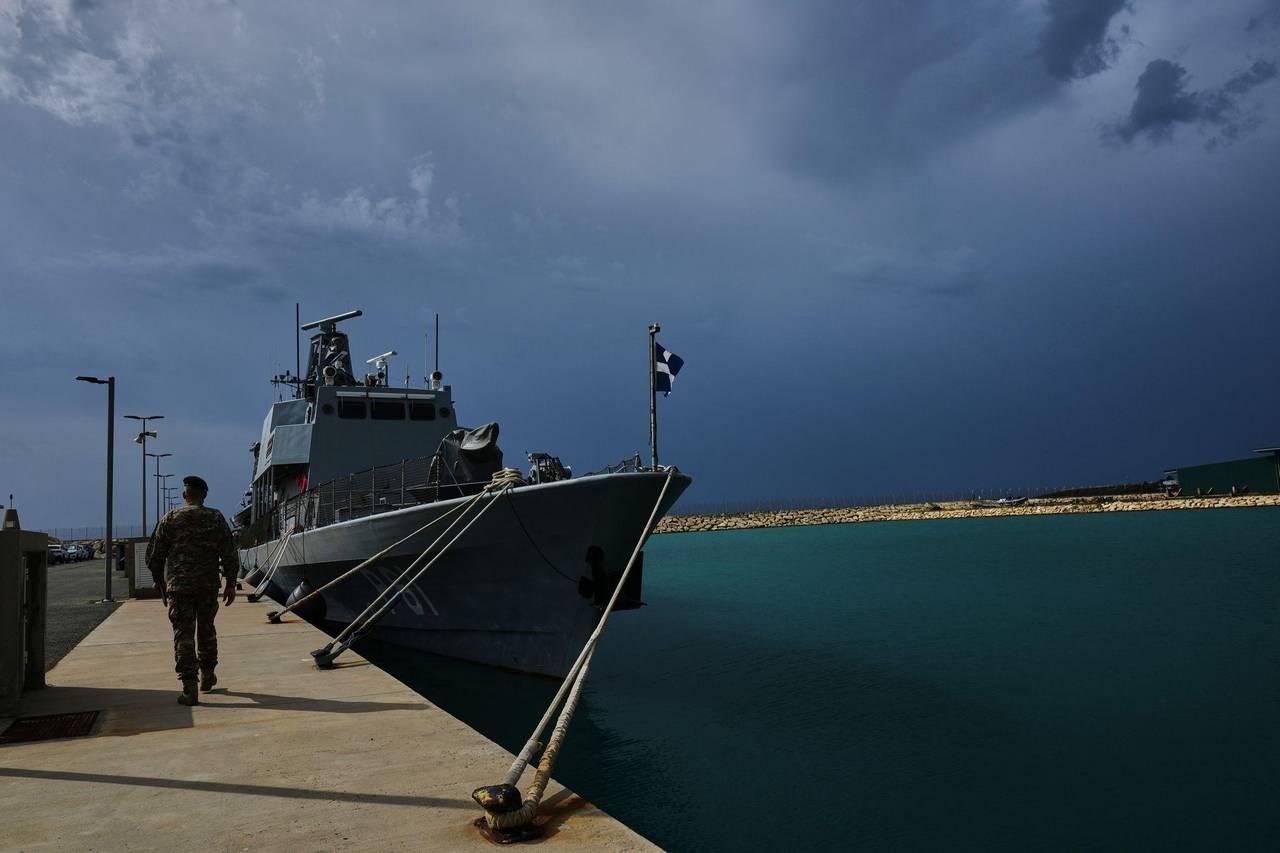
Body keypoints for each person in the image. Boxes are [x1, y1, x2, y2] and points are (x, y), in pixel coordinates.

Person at [146, 475, 238, 706]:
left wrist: (159, 580)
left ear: (184, 494)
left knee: (183, 634)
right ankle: (208, 675)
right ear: (204, 495)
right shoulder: (215, 517)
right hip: (207, 586)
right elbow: (229, 552)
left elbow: (155, 555)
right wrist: (230, 582)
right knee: (207, 629)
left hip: (179, 587)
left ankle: (190, 688)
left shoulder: (170, 518)